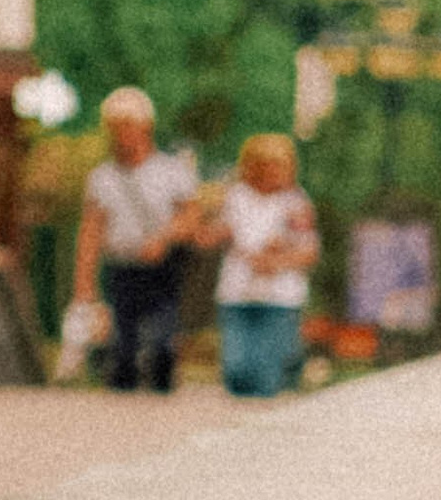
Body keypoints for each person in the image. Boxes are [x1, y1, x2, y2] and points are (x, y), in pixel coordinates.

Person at [72, 89, 200, 393]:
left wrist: (163, 238)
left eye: (128, 126)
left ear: (146, 128)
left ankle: (161, 392)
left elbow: (191, 218)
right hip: (122, 266)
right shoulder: (102, 178)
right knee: (121, 347)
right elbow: (91, 231)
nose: (121, 135)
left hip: (162, 267)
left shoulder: (172, 172)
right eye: (115, 128)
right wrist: (84, 287)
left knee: (162, 344)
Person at [203, 132, 320, 398]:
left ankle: (287, 369)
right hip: (238, 294)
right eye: (264, 165)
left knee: (264, 379)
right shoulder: (235, 197)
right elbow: (212, 235)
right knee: (236, 372)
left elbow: (309, 251)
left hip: (279, 298)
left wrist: (278, 261)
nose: (272, 172)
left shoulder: (296, 203)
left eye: (278, 165)